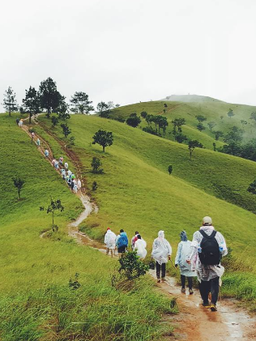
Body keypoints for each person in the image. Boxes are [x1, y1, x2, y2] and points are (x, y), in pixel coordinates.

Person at [188, 216, 228, 312]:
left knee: (203, 282)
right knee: (215, 282)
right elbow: (224, 250)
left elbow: (194, 247)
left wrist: (189, 258)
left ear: (202, 223)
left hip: (202, 264)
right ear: (211, 223)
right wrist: (218, 256)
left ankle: (205, 301)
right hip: (215, 264)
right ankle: (213, 302)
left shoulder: (197, 234)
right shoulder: (218, 234)